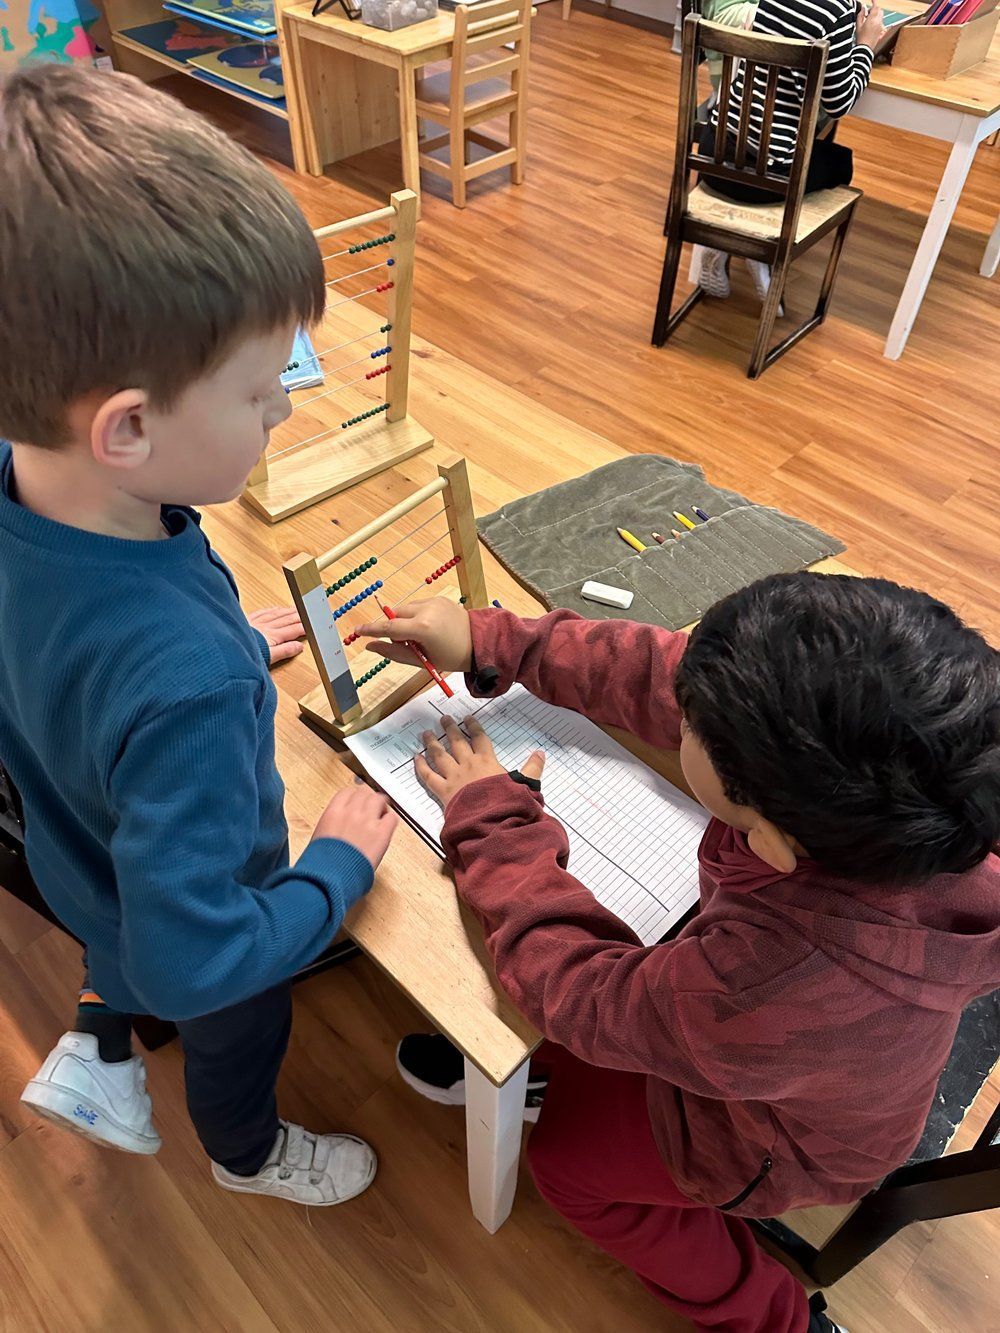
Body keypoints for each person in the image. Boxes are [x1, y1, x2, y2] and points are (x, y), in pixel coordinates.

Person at [359, 575, 1000, 1333]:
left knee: (568, 1166)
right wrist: (497, 639)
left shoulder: (772, 980)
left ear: (772, 836)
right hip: (784, 1053)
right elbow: (669, 672)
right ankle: (543, 1075)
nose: (677, 702)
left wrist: (494, 818)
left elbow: (579, 993)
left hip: (778, 1139)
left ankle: (770, 1316)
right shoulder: (916, 780)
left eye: (693, 724)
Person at [0, 64, 399, 1205]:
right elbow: (202, 954)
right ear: (126, 428)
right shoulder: (189, 688)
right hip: (188, 936)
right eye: (266, 390)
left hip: (78, 862)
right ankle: (248, 1155)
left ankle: (105, 1036)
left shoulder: (26, 488)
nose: (285, 409)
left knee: (121, 953)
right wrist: (335, 866)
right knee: (230, 1023)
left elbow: (81, 660)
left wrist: (211, 631)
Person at [695, 0, 887, 301]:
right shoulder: (836, 13)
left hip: (711, 155)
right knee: (839, 163)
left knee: (781, 146)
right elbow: (839, 103)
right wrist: (865, 45)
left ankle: (727, 238)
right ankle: (762, 243)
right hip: (768, 179)